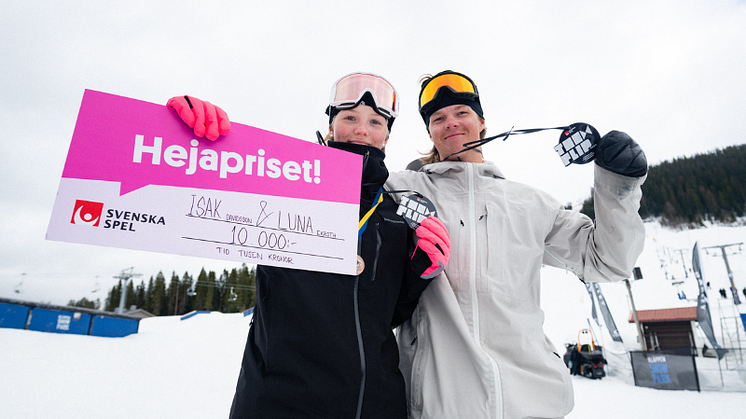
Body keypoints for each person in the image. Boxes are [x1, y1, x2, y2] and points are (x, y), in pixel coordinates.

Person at [167, 72, 450, 419]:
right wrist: (191, 136)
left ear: (386, 137)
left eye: (375, 122)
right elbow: (203, 187)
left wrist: (419, 272)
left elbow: (386, 316)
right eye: (350, 118)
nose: (362, 129)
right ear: (331, 128)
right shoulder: (283, 189)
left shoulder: (395, 214)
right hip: (279, 401)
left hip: (373, 403)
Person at [386, 70, 648, 419]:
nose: (451, 123)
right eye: (438, 118)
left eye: (461, 113)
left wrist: (619, 185)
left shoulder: (530, 204)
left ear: (481, 122)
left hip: (531, 404)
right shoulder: (402, 191)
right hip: (439, 405)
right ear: (430, 133)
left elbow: (607, 260)